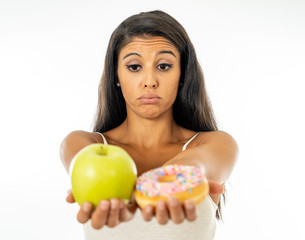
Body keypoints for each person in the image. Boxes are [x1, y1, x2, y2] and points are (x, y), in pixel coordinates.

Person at [60, 10, 238, 240]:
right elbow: (80, 161)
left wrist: (151, 186)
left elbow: (192, 165)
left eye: (163, 66)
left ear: (182, 74)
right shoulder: (83, 143)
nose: (150, 82)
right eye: (134, 67)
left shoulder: (215, 143)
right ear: (116, 75)